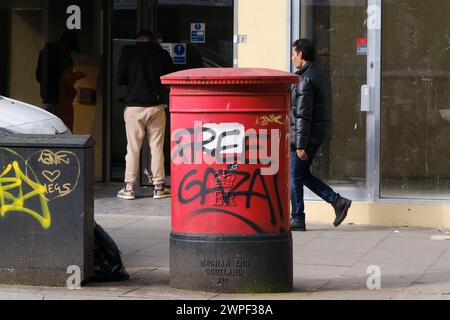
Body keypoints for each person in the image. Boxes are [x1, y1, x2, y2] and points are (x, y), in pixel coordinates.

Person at [290, 39, 352, 231]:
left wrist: (299, 145)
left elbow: (303, 114)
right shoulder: (319, 74)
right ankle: (337, 201)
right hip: (317, 133)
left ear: (301, 54)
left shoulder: (305, 79)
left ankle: (297, 218)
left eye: (294, 54)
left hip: (306, 136)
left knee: (294, 176)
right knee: (302, 174)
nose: (292, 57)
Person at [116, 30, 174, 200]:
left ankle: (128, 188)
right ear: (153, 40)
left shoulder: (129, 53)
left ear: (137, 40)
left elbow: (120, 78)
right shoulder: (161, 54)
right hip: (155, 106)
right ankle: (158, 187)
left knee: (132, 149)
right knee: (157, 148)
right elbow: (169, 78)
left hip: (134, 107)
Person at [36, 30, 85, 130]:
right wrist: (75, 76)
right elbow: (66, 77)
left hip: (47, 98)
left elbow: (38, 75)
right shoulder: (63, 56)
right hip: (61, 101)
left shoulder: (45, 53)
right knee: (62, 131)